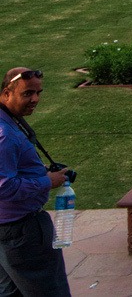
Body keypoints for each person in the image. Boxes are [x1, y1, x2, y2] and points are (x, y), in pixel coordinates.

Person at [0, 68, 72, 297]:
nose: (35, 100)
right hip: (22, 232)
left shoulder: (7, 120)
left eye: (38, 93)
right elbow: (5, 187)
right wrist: (47, 181)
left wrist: (38, 172)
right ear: (6, 93)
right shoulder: (5, 134)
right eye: (28, 93)